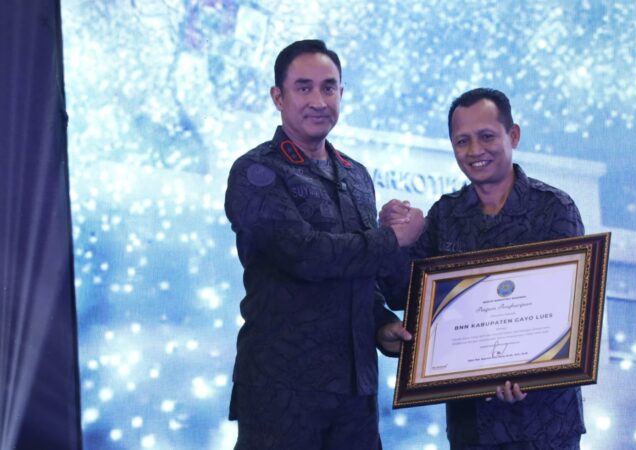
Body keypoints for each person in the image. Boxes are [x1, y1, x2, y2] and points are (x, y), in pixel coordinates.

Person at [224, 39, 423, 450]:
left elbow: (358, 278)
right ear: (278, 97)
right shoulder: (255, 172)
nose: (318, 101)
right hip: (282, 391)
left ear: (341, 94)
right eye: (304, 87)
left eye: (329, 88)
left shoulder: (356, 175)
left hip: (355, 392)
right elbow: (305, 256)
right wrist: (390, 238)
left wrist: (382, 323)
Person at [380, 88, 586, 450]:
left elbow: (569, 310)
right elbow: (402, 295)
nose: (475, 151)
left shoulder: (554, 209)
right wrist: (394, 239)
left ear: (513, 135)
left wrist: (529, 372)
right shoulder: (445, 214)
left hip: (544, 423)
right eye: (462, 141)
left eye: (487, 136)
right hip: (471, 425)